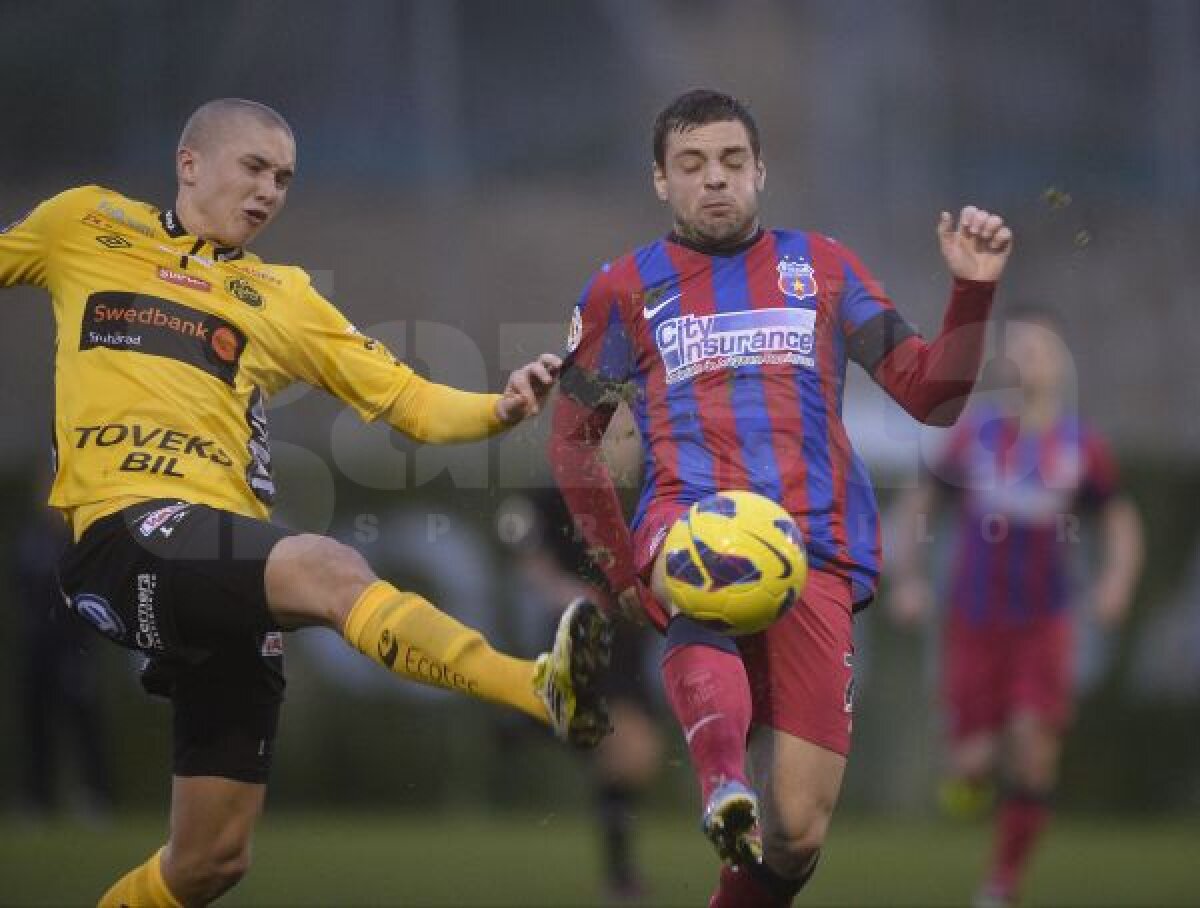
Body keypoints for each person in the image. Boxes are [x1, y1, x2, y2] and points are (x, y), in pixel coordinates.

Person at [0, 98, 612, 907]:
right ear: (190, 163)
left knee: (210, 861)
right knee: (328, 567)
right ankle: (535, 689)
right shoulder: (84, 222)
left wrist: (500, 407)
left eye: (284, 178)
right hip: (125, 532)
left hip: (220, 562)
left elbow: (410, 404)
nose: (269, 192)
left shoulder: (282, 296)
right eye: (253, 168)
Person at [548, 88, 1013, 907]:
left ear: (760, 169)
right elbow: (571, 439)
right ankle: (722, 781)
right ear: (660, 180)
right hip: (684, 517)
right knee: (704, 577)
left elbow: (930, 396)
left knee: (796, 832)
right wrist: (620, 568)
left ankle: (746, 822)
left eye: (732, 161)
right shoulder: (621, 290)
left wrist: (970, 293)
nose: (714, 180)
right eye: (691, 165)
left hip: (816, 548)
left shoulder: (824, 268)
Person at [887, 308, 1144, 908]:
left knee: (1032, 743)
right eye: (1017, 348)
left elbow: (1121, 521)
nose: (1025, 358)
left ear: (1059, 363)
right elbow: (919, 508)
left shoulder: (1081, 447)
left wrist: (1117, 582)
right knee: (973, 764)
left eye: (1038, 348)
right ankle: (970, 769)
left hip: (1044, 622)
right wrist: (908, 578)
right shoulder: (973, 436)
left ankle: (1000, 885)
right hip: (973, 622)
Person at [504, 486, 664, 903]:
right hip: (579, 636)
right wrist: (561, 587)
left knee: (637, 759)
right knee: (626, 748)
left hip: (630, 643)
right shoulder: (556, 491)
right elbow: (521, 540)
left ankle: (542, 719)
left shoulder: (655, 485)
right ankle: (622, 878)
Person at [11, 484, 112, 821]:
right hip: (37, 649)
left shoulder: (77, 542)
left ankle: (94, 796)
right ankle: (37, 798)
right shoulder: (30, 540)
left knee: (84, 725)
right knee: (36, 724)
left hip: (74, 649)